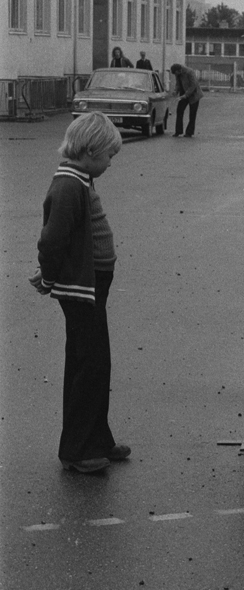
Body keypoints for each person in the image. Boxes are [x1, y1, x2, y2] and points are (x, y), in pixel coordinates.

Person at [29, 112, 131, 474]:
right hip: (81, 288)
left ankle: (97, 437)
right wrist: (49, 276)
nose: (110, 163)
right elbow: (52, 240)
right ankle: (77, 449)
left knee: (96, 362)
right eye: (108, 156)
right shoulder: (69, 185)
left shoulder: (80, 178)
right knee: (88, 365)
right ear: (89, 151)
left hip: (91, 286)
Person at [169, 63, 203, 138]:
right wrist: (176, 91)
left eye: (176, 73)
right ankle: (178, 131)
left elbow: (193, 85)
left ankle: (189, 132)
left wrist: (185, 95)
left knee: (192, 114)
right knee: (179, 111)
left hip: (194, 94)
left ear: (179, 70)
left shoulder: (190, 72)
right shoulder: (177, 73)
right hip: (183, 92)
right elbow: (178, 84)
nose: (176, 75)